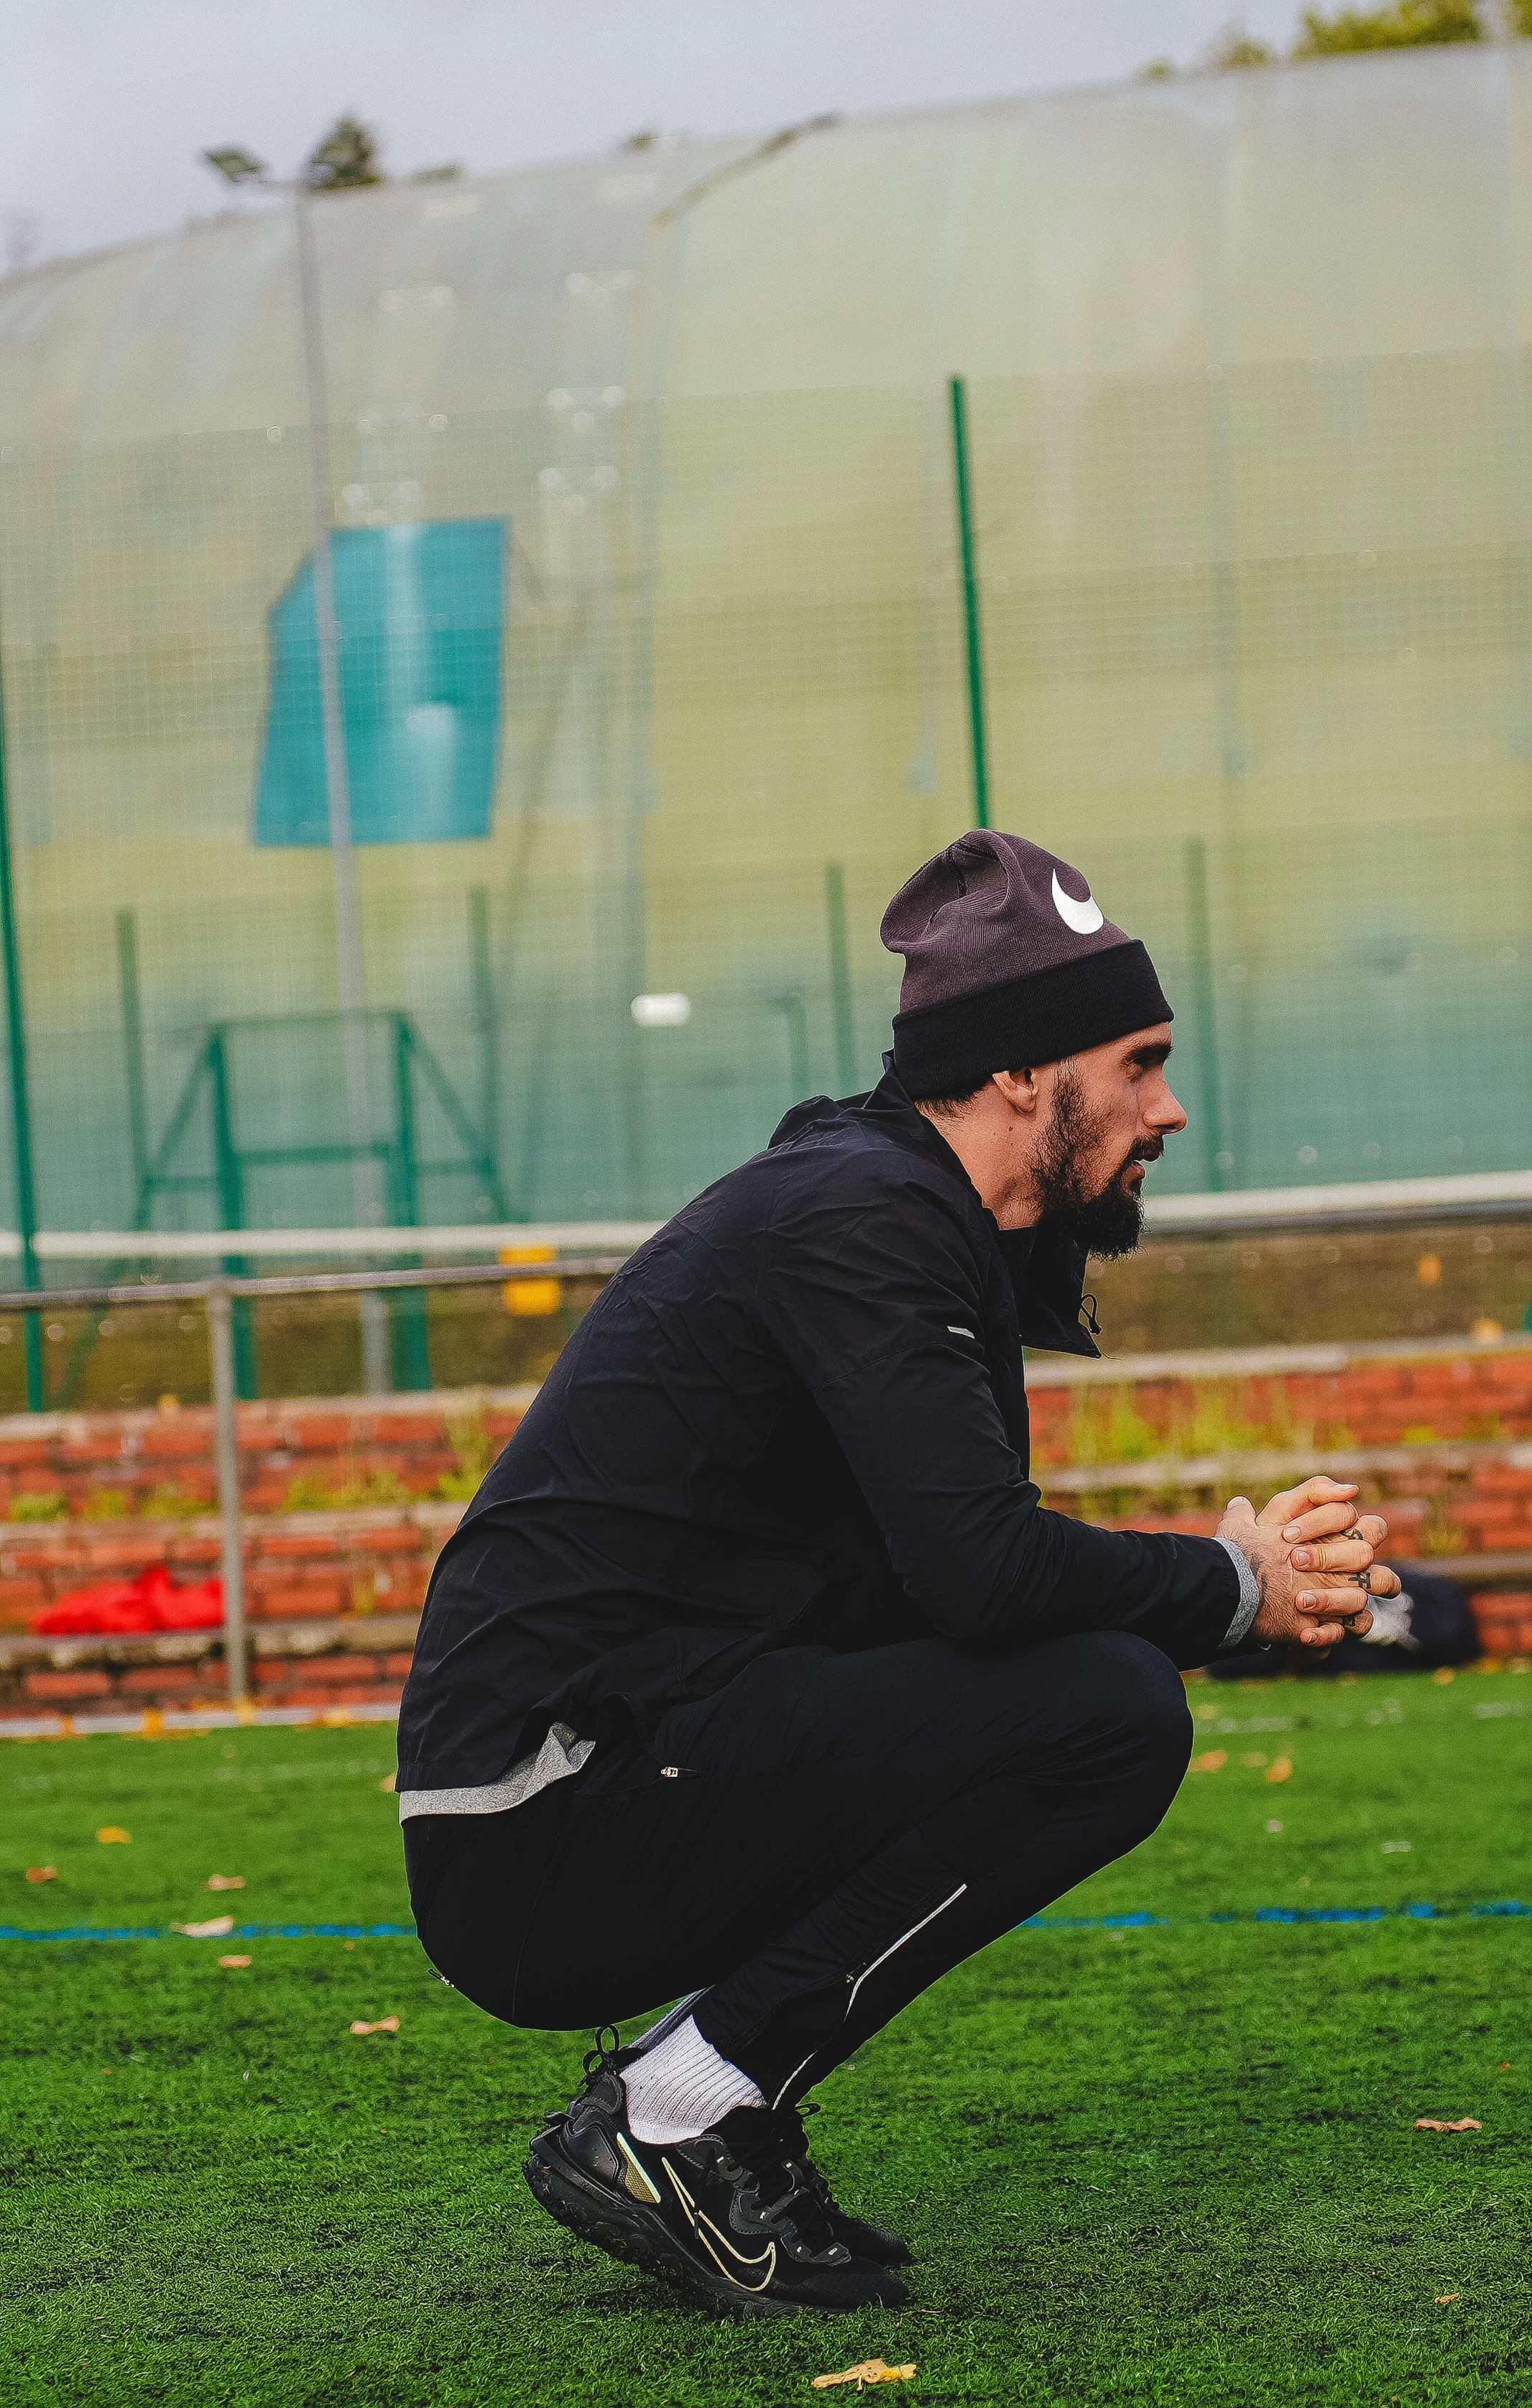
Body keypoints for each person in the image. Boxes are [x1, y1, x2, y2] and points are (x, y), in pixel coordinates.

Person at [397, 830, 1396, 2318]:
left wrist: (1220, 1585)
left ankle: (711, 2106)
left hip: (612, 1764)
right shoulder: (863, 1212)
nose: (1167, 1107)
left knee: (1085, 1686)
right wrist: (1226, 1581)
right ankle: (675, 2111)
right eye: (1138, 1061)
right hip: (544, 1815)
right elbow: (982, 1575)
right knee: (1107, 1707)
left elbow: (945, 1588)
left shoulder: (901, 1212)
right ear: (1017, 1073)